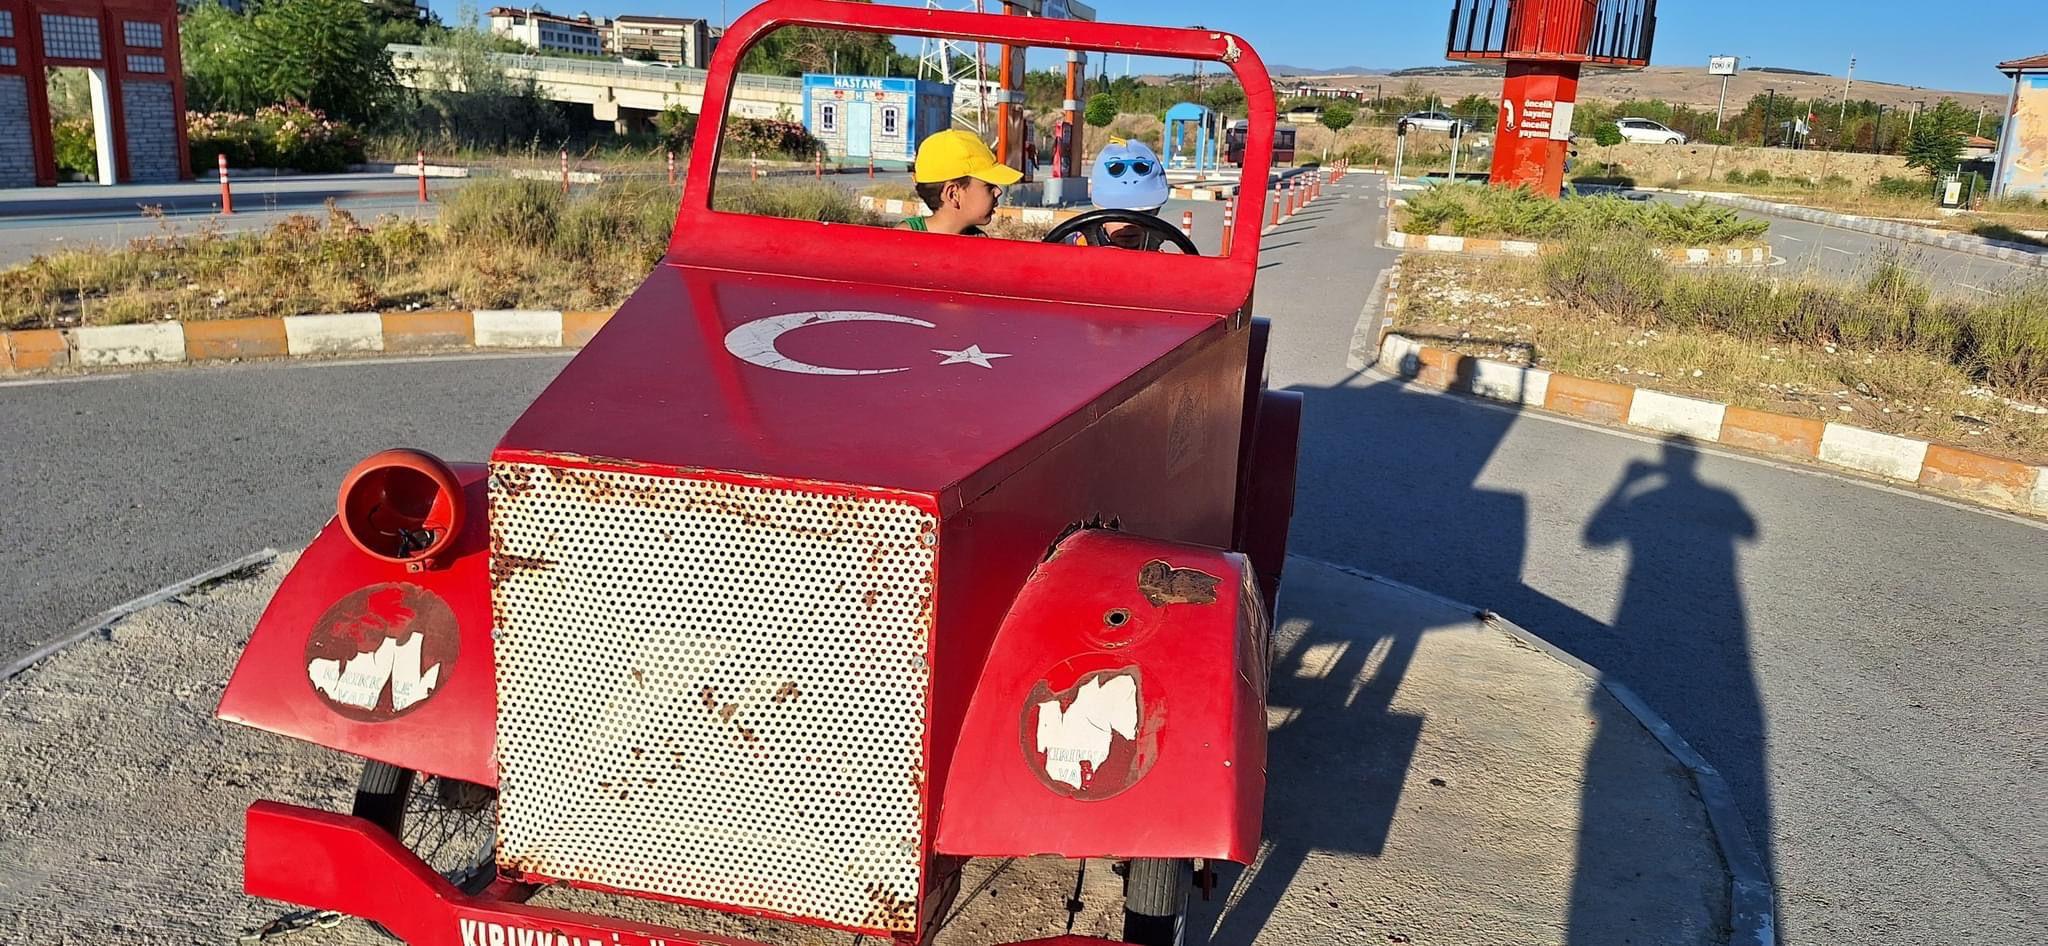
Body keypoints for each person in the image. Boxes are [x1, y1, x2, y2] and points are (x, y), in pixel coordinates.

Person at [899, 129, 1022, 236]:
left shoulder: (978, 242)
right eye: (989, 186)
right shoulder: (904, 237)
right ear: (953, 194)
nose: (998, 191)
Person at [1078, 138, 1171, 249]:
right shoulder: (1079, 248)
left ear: (1155, 211)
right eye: (1118, 213)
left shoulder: (1160, 260)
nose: (1127, 225)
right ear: (1099, 212)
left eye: (1141, 213)